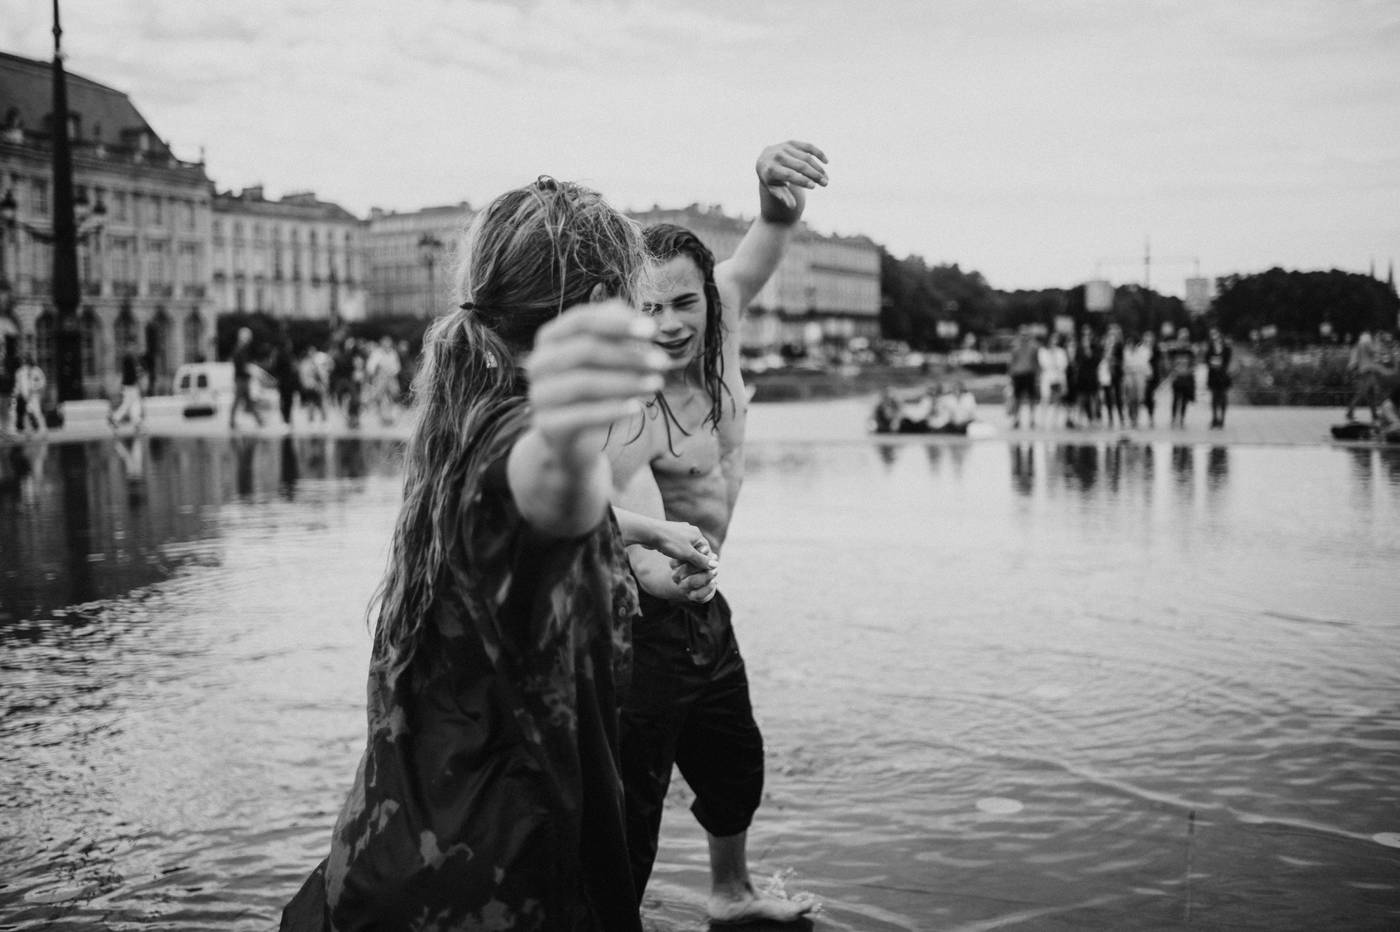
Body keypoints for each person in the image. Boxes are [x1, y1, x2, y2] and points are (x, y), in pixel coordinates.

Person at [280, 177, 705, 932]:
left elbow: (525, 526)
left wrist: (642, 531)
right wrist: (571, 444)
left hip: (389, 865)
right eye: (638, 303)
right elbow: (536, 490)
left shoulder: (465, 417)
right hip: (491, 895)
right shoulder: (517, 441)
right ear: (602, 300)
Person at [606, 140, 827, 925]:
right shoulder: (630, 403)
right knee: (633, 793)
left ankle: (730, 894)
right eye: (648, 308)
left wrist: (772, 186)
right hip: (642, 622)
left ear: (710, 295)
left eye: (682, 304)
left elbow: (770, 231)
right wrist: (669, 574)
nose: (666, 325)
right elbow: (639, 541)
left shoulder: (728, 311)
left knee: (735, 764)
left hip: (704, 603)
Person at [229, 327, 264, 429]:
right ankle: (232, 422)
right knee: (240, 400)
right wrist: (250, 370)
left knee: (247, 400)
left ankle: (258, 420)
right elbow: (241, 366)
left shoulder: (240, 349)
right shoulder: (240, 350)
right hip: (241, 379)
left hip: (242, 378)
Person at [1007, 327, 1040, 429]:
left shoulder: (1034, 346)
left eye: (1026, 335)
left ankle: (1032, 419)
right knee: (1017, 399)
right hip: (1018, 375)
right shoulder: (1015, 346)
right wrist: (1010, 376)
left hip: (1029, 374)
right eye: (1022, 335)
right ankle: (1017, 419)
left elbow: (1036, 362)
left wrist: (1037, 376)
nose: (1024, 337)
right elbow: (1011, 362)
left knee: (1031, 398)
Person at [1204, 327, 1233, 429]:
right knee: (1214, 398)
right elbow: (1206, 360)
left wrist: (1221, 365)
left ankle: (1222, 419)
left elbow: (1228, 361)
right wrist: (1212, 364)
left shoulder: (1226, 348)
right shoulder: (1210, 348)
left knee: (1223, 397)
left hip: (1223, 376)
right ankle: (1214, 418)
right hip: (1213, 376)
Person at [1037, 333, 1069, 429]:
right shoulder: (1042, 351)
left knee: (1057, 400)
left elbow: (1063, 364)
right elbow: (1044, 364)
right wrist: (1052, 360)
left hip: (1058, 377)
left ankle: (1055, 421)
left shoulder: (1061, 352)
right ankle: (1042, 421)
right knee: (1045, 399)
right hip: (1047, 377)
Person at [108, 351, 146, 430]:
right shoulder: (130, 363)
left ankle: (135, 422)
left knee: (129, 404)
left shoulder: (128, 363)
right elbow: (136, 375)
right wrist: (139, 374)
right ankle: (135, 422)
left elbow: (135, 374)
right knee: (133, 404)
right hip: (131, 387)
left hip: (128, 386)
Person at [1167, 329, 1196, 427]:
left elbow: (1193, 364)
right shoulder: (1174, 350)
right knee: (1175, 398)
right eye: (1181, 338)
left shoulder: (1190, 350)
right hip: (1177, 377)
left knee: (1184, 399)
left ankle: (1182, 418)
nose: (1183, 340)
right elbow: (1169, 362)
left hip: (1186, 377)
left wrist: (1189, 371)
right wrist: (1173, 372)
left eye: (1185, 338)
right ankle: (1173, 418)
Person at [13, 354, 47, 436]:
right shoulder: (20, 372)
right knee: (26, 413)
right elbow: (18, 384)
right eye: (23, 360)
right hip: (24, 396)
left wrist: (35, 387)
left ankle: (43, 430)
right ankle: (28, 431)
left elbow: (43, 382)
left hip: (34, 395)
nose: (24, 362)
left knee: (36, 412)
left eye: (26, 360)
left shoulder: (36, 370)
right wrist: (16, 394)